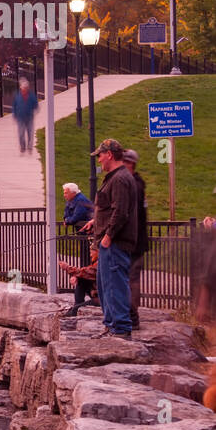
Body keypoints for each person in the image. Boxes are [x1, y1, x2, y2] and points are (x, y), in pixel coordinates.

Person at [89, 139, 139, 339]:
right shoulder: (116, 177)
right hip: (109, 244)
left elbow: (120, 212)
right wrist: (95, 222)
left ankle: (120, 329)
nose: (98, 159)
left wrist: (108, 236)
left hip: (115, 243)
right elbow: (111, 208)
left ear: (109, 154)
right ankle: (112, 325)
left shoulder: (119, 179)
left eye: (100, 155)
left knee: (114, 285)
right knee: (105, 285)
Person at [122, 149, 149, 330]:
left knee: (131, 279)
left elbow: (130, 213)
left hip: (134, 242)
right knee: (130, 278)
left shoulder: (135, 185)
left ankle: (133, 316)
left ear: (130, 164)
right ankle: (130, 314)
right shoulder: (136, 183)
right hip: (134, 241)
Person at [59, 244, 99, 315]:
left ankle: (75, 308)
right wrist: (77, 277)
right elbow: (86, 273)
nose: (90, 255)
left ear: (98, 252)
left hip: (102, 299)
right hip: (98, 295)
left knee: (76, 308)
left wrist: (67, 267)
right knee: (81, 279)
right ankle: (77, 305)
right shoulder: (98, 263)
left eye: (91, 252)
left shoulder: (101, 264)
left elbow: (86, 272)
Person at [12, 78, 38, 154]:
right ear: (21, 88)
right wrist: (14, 114)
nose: (25, 89)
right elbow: (14, 106)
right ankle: (22, 147)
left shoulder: (32, 96)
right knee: (21, 133)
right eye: (23, 88)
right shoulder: (17, 96)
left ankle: (29, 148)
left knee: (30, 133)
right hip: (20, 117)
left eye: (26, 88)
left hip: (29, 117)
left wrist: (33, 110)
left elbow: (36, 105)